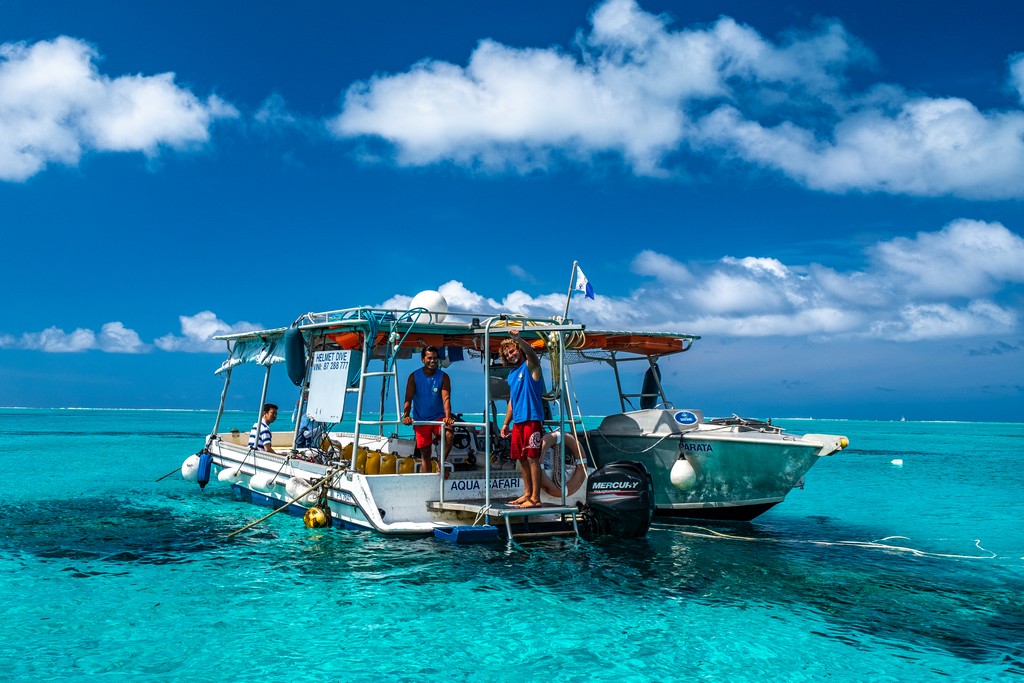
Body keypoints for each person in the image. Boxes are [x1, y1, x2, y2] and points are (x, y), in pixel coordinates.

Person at [500, 329, 545, 508]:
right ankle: (527, 494)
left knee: (533, 458)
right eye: (507, 354)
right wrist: (505, 423)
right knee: (522, 458)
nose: (510, 355)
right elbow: (512, 400)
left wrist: (518, 339)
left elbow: (532, 354)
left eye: (512, 351)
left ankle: (536, 498)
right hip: (518, 421)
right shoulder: (511, 374)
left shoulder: (530, 366)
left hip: (532, 419)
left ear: (519, 349)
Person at [401, 346, 455, 473]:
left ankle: (441, 463)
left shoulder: (443, 377)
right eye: (429, 358)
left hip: (438, 417)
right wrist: (406, 415)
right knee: (425, 453)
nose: (433, 361)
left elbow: (446, 399)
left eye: (435, 358)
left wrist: (448, 417)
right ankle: (427, 479)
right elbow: (408, 398)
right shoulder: (414, 377)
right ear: (423, 359)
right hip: (421, 419)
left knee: (449, 434)